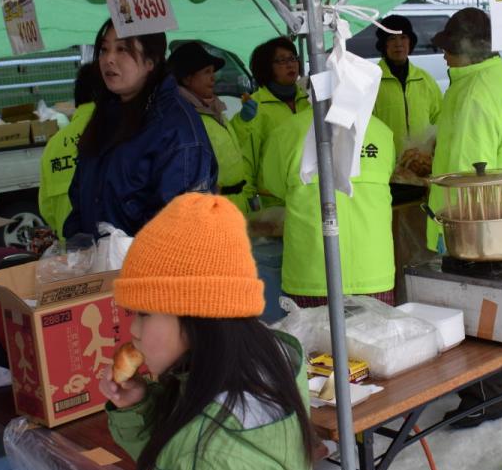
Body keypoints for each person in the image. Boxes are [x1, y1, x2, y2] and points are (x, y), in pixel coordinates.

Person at [87, 193, 318, 470]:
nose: (132, 331)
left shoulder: (221, 454)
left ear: (199, 317)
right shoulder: (233, 378)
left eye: (145, 314)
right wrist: (142, 407)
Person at [428, 7, 502, 428]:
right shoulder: (496, 80)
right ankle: (490, 391)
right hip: (498, 218)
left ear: (467, 51)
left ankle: (483, 396)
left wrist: (444, 215)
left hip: (471, 223)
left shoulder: (472, 95)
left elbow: (471, 170)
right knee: (486, 309)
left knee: (471, 310)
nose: (445, 57)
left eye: (449, 49)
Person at [63, 21, 218, 238]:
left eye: (122, 49)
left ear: (151, 61)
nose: (108, 59)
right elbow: (80, 195)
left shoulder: (176, 129)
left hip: (149, 268)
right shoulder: (108, 113)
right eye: (104, 49)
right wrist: (78, 248)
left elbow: (179, 225)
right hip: (101, 267)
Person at [258, 107, 396, 306]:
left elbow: (274, 185)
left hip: (312, 274)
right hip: (373, 271)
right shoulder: (381, 131)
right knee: (374, 337)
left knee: (314, 337)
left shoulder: (287, 131)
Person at [168, 41, 258, 215]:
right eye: (206, 72)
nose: (213, 77)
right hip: (211, 208)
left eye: (213, 72)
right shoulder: (183, 116)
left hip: (235, 203)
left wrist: (243, 121)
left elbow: (226, 147)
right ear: (187, 78)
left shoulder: (211, 108)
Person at [232, 37, 310, 206]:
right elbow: (247, 158)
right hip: (272, 200)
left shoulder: (309, 100)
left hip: (308, 194)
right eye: (281, 60)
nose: (290, 64)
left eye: (292, 58)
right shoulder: (256, 106)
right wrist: (249, 198)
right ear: (266, 68)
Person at [38, 61, 101, 237]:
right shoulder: (116, 133)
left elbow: (46, 209)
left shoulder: (54, 145)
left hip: (72, 256)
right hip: (114, 254)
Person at [372, 14, 441, 155]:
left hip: (422, 163)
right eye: (392, 38)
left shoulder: (424, 79)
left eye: (403, 37)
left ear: (410, 42)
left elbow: (440, 117)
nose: (398, 44)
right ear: (384, 45)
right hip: (386, 163)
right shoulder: (372, 81)